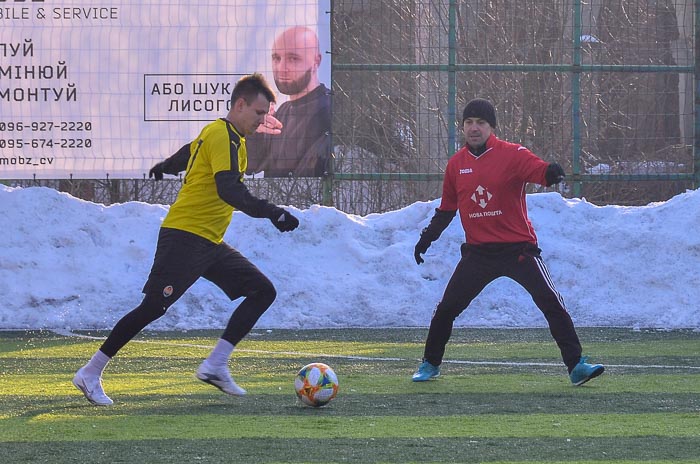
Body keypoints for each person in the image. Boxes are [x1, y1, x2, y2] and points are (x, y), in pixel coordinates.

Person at [73, 73, 300, 406]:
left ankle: (215, 365)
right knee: (153, 307)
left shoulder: (221, 133)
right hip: (185, 236)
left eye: (265, 114)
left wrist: (168, 165)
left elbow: (189, 152)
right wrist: (272, 212)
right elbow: (229, 189)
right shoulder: (224, 135)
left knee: (262, 290)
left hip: (208, 242)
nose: (262, 120)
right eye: (258, 112)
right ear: (240, 105)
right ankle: (90, 372)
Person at [411, 98, 604, 386]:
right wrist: (426, 238)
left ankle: (576, 365)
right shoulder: (456, 165)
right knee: (447, 308)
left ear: (492, 127)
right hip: (478, 253)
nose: (474, 128)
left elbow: (539, 170)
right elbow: (447, 209)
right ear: (462, 127)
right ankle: (430, 364)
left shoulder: (512, 154)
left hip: (518, 250)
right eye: (469, 123)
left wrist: (551, 173)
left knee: (551, 301)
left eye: (481, 123)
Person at [245, 25, 332, 177]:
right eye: (276, 58)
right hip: (278, 200)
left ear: (316, 61)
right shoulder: (283, 111)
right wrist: (254, 132)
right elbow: (251, 166)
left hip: (307, 200)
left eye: (293, 59)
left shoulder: (328, 110)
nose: (281, 68)